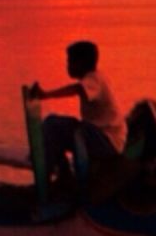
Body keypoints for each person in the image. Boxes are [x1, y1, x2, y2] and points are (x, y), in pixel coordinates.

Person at [25, 41, 126, 187]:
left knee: (53, 126)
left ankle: (52, 177)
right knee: (53, 126)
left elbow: (78, 89)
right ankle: (63, 174)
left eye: (70, 62)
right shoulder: (97, 77)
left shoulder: (94, 79)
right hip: (104, 138)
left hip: (106, 141)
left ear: (82, 63)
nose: (68, 66)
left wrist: (46, 95)